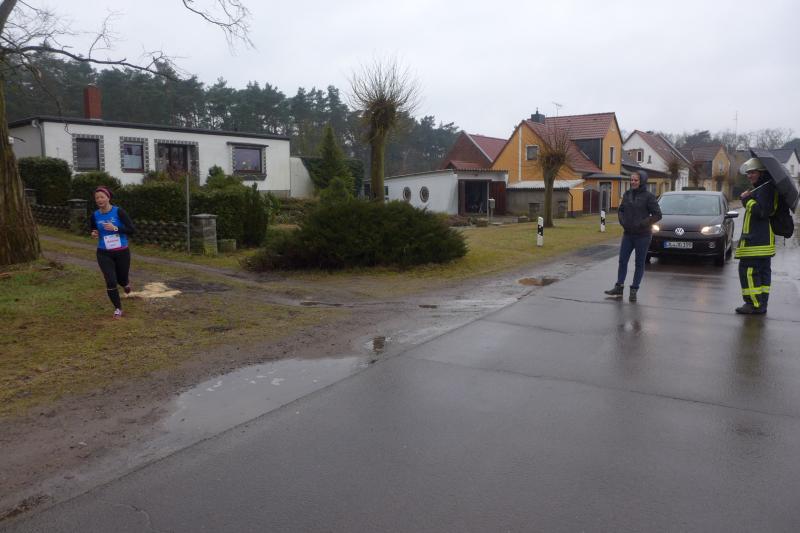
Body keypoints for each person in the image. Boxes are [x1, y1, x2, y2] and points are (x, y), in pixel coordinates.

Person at [604, 170, 662, 302]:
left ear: (642, 181)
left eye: (636, 180)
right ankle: (619, 287)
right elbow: (621, 210)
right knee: (622, 261)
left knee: (639, 263)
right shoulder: (627, 194)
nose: (633, 182)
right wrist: (622, 221)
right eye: (631, 180)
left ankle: (634, 290)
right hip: (628, 235)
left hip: (643, 236)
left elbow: (658, 215)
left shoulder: (649, 197)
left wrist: (643, 223)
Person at [734, 158, 776, 315]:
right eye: (748, 173)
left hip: (756, 242)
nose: (749, 175)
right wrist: (750, 197)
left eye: (753, 172)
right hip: (762, 241)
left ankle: (753, 304)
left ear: (761, 173)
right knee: (762, 274)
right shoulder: (764, 188)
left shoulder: (765, 189)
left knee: (748, 272)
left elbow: (762, 212)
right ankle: (761, 304)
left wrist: (747, 199)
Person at [90, 186, 136, 318]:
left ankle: (125, 284)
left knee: (121, 279)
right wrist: (94, 233)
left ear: (108, 198)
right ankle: (118, 308)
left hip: (122, 251)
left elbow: (132, 230)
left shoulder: (119, 212)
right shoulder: (94, 215)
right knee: (110, 281)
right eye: (97, 198)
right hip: (103, 252)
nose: (99, 200)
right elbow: (93, 229)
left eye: (102, 197)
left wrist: (115, 228)